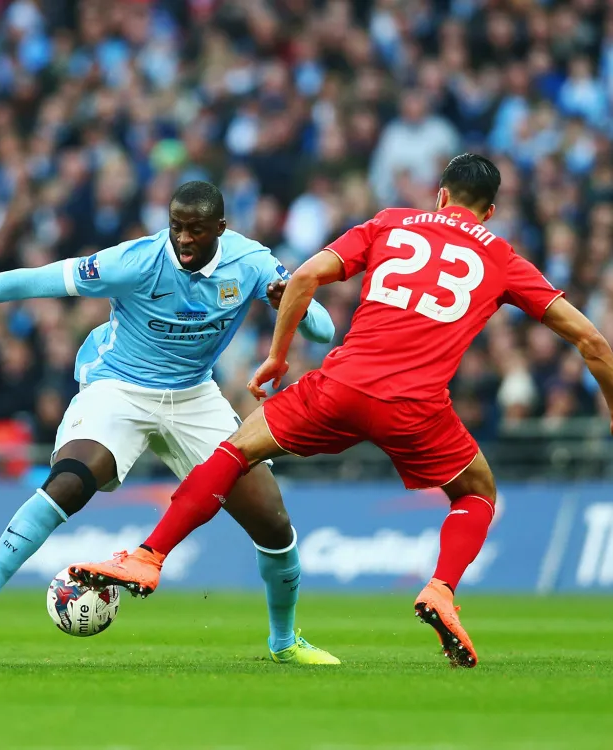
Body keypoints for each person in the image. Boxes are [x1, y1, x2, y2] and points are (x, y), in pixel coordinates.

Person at [69, 154, 613, 668]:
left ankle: (148, 556)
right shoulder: (501, 255)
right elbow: (591, 341)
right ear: (489, 210)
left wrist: (278, 358)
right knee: (476, 493)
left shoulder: (390, 223)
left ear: (440, 195)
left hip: (342, 385)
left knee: (235, 451)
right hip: (416, 406)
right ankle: (442, 588)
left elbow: (303, 278)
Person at [0, 180, 341, 665]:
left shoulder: (253, 263)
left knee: (274, 524)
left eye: (196, 230)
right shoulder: (134, 260)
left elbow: (323, 331)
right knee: (71, 482)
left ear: (220, 228)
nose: (183, 239)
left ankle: (284, 643)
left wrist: (292, 302)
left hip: (196, 396)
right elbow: (37, 279)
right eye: (176, 226)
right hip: (119, 387)